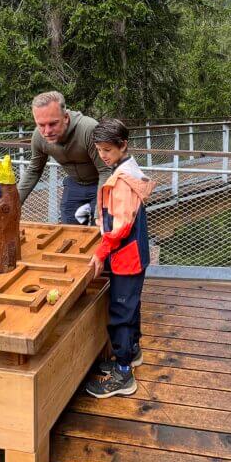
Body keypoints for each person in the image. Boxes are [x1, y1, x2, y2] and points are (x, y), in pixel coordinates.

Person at [85, 119, 154, 399]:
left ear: (122, 145)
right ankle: (132, 352)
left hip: (127, 256)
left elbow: (122, 225)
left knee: (120, 313)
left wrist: (102, 250)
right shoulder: (127, 170)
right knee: (130, 306)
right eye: (100, 150)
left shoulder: (124, 181)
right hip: (133, 254)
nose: (103, 155)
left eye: (107, 150)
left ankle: (123, 373)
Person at [16, 91, 112, 225]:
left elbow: (106, 171)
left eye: (53, 124)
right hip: (75, 185)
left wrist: (100, 212)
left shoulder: (88, 129)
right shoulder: (39, 137)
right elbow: (34, 170)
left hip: (100, 183)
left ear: (66, 117)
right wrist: (14, 203)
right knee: (70, 229)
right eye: (41, 125)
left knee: (101, 229)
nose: (47, 131)